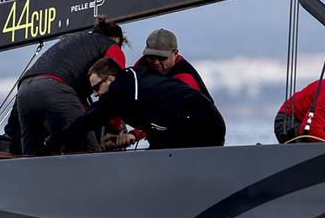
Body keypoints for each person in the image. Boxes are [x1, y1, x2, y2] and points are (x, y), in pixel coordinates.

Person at [49, 57, 226, 152]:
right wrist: (132, 135)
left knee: (160, 153)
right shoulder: (134, 78)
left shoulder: (121, 89)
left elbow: (89, 119)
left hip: (202, 124)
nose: (95, 94)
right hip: (203, 122)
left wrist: (53, 142)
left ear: (110, 79)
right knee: (157, 148)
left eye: (97, 87)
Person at [16, 17, 127, 155]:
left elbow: (78, 105)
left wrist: (11, 133)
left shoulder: (75, 42)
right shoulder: (112, 46)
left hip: (24, 90)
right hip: (54, 89)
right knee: (87, 152)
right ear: (117, 40)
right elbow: (117, 87)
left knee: (34, 158)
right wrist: (115, 129)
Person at [134, 28, 212, 100]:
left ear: (175, 53)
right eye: (151, 56)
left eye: (162, 57)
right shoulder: (142, 64)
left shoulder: (185, 79)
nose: (155, 62)